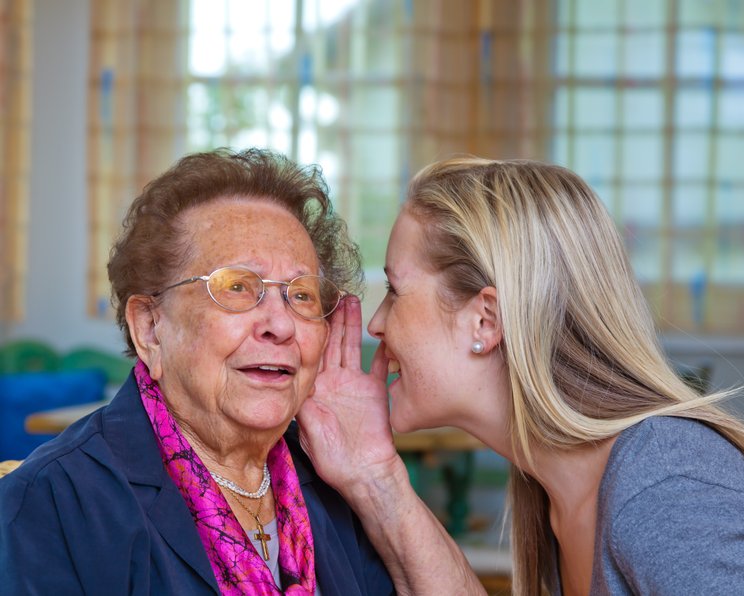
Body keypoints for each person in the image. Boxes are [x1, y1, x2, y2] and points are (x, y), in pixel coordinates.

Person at [297, 156, 744, 595]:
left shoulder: (663, 487)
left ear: (485, 320)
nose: (377, 322)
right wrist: (374, 476)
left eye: (396, 290)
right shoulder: (556, 494)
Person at [0, 148, 394, 595]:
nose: (281, 325)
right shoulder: (52, 504)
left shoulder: (334, 485)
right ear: (150, 327)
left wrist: (376, 474)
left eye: (301, 295)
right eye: (237, 287)